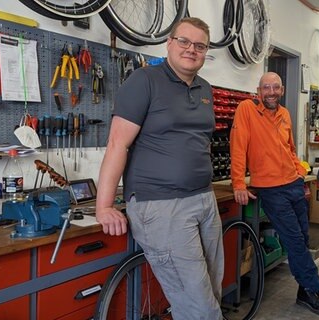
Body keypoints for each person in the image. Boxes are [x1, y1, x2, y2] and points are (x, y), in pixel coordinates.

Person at [95, 17, 224, 320]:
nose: (191, 49)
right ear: (169, 43)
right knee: (199, 308)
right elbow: (117, 144)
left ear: (205, 52)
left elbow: (200, 140)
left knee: (211, 293)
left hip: (204, 200)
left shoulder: (205, 88)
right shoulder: (144, 80)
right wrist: (103, 206)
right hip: (162, 206)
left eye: (200, 45)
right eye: (184, 41)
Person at [230, 72, 319, 316]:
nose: (271, 92)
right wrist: (238, 184)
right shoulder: (246, 109)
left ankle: (304, 292)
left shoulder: (285, 114)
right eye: (266, 87)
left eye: (276, 87)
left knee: (303, 239)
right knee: (295, 241)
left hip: (293, 185)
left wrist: (299, 171)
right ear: (259, 90)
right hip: (271, 189)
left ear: (282, 90)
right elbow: (238, 145)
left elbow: (288, 148)